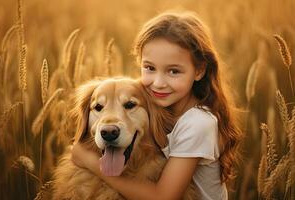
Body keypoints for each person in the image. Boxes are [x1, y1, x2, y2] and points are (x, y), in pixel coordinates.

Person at [71, 11, 242, 200]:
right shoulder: (157, 101)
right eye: (150, 68)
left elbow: (163, 197)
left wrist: (89, 161)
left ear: (199, 70)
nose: (159, 83)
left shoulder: (198, 123)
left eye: (173, 71)